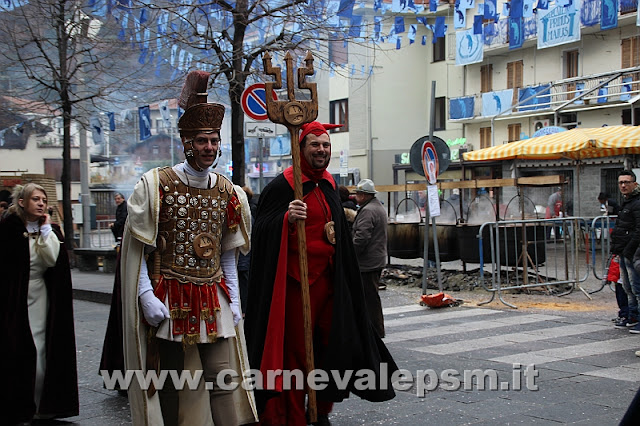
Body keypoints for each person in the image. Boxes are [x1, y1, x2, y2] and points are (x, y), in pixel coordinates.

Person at [120, 70, 256, 425]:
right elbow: (139, 251)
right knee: (169, 383)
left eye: (212, 140)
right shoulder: (156, 186)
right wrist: (145, 295)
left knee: (223, 379)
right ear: (186, 143)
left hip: (213, 295)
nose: (208, 147)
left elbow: (227, 252)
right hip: (169, 293)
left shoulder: (230, 192)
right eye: (201, 141)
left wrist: (236, 301)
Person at [245, 121, 398, 426]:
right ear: (300, 149)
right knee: (296, 354)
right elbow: (260, 232)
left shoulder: (328, 184)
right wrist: (286, 220)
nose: (321, 150)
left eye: (326, 145)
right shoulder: (283, 186)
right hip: (294, 285)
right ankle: (291, 414)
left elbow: (338, 234)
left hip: (329, 284)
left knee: (331, 347)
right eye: (314, 144)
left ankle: (320, 409)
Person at [0, 183, 78, 423]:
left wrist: (46, 231)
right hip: (15, 297)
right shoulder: (9, 229)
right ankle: (19, 404)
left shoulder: (50, 229)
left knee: (43, 348)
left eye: (44, 199)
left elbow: (52, 260)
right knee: (19, 347)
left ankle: (41, 404)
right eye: (35, 199)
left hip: (42, 295)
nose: (41, 203)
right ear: (22, 202)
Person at [352, 178, 387, 337]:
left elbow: (361, 238)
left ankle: (375, 331)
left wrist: (351, 254)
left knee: (370, 299)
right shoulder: (377, 207)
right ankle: (373, 330)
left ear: (364, 195)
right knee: (371, 297)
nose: (356, 196)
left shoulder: (367, 211)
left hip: (367, 262)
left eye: (358, 194)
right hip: (376, 260)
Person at [612, 170, 640, 333]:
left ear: (634, 184)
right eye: (621, 182)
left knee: (637, 287)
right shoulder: (627, 202)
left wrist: (629, 250)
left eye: (626, 182)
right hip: (624, 251)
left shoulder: (636, 202)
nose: (623, 185)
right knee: (627, 287)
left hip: (634, 253)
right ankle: (633, 315)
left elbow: (638, 229)